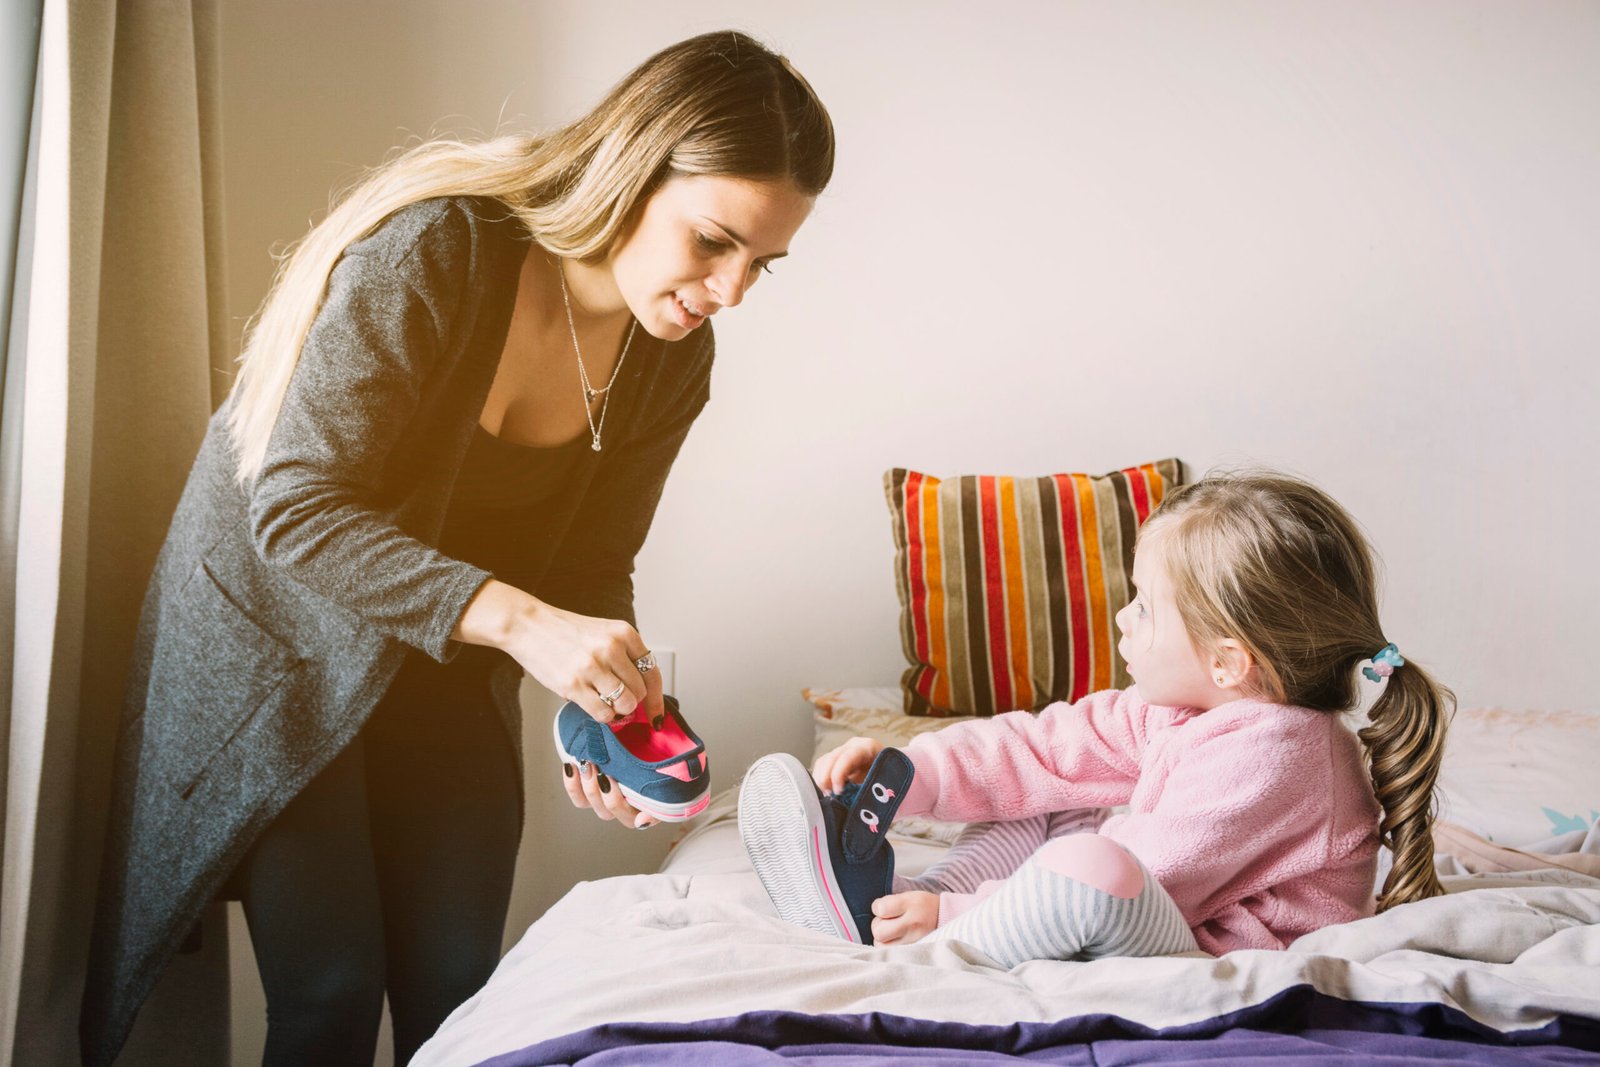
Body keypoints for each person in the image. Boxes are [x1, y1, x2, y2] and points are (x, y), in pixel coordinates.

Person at [82, 30, 833, 1067]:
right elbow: (297, 511)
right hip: (283, 651)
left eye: (763, 263)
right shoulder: (437, 250)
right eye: (713, 242)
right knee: (330, 989)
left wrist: (601, 703)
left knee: (463, 986)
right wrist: (529, 624)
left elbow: (587, 565)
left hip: (445, 655)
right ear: (631, 171)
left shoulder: (674, 359)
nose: (732, 290)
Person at [742, 470, 1452, 967]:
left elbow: (1153, 871)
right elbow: (1042, 749)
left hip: (1208, 948)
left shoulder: (1280, 753)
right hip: (1165, 911)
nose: (1123, 616)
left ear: (1231, 661)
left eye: (1144, 605)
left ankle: (942, 922)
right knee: (1050, 792)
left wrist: (967, 922)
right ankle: (901, 901)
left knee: (1092, 861)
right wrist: (912, 772)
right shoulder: (1182, 710)